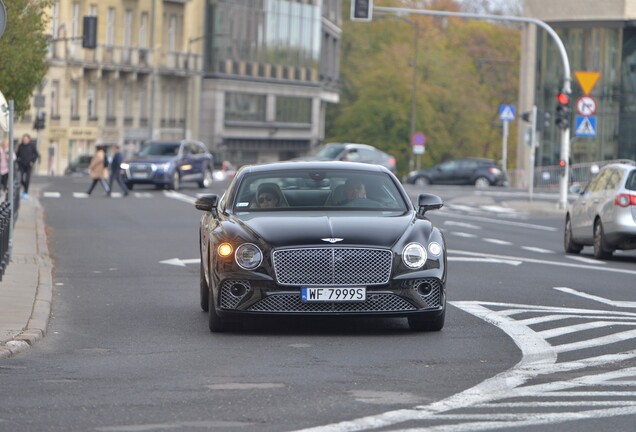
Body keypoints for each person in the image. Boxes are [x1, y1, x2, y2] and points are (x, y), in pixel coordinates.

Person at [16, 134, 40, 200]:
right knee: (20, 178)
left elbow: (36, 155)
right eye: (23, 139)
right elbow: (17, 154)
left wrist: (32, 161)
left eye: (26, 139)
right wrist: (18, 161)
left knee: (27, 179)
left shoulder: (32, 146)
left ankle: (25, 192)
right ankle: (24, 187)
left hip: (29, 165)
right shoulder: (20, 146)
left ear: (29, 139)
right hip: (21, 165)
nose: (24, 140)